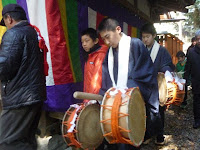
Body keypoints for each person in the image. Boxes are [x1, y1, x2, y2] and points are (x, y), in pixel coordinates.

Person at [98, 17, 160, 150]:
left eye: (108, 36)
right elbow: (107, 80)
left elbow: (147, 73)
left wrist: (128, 89)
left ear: (118, 29)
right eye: (104, 39)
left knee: (130, 140)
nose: (107, 42)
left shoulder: (135, 44)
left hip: (132, 104)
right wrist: (104, 95)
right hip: (115, 108)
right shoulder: (109, 55)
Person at [0, 4, 46, 150]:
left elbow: (4, 68)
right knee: (26, 140)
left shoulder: (13, 34)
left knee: (7, 142)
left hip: (19, 98)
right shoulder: (33, 32)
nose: (6, 26)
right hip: (34, 95)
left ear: (9, 18)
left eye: (5, 21)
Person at [141, 23, 175, 146]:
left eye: (148, 36)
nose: (145, 39)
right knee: (145, 111)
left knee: (158, 111)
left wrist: (164, 70)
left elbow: (167, 64)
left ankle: (160, 136)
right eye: (143, 37)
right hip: (145, 85)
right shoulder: (142, 49)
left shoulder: (162, 50)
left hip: (158, 85)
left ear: (154, 36)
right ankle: (148, 134)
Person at [81, 28, 108, 102]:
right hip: (90, 97)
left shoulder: (100, 55)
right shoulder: (90, 55)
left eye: (87, 41)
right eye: (82, 42)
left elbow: (97, 80)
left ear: (96, 41)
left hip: (95, 98)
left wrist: (90, 99)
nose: (84, 44)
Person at [184, 30, 200, 129]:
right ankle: (197, 120)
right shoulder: (191, 52)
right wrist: (186, 80)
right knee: (197, 101)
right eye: (198, 39)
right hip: (196, 81)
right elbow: (188, 67)